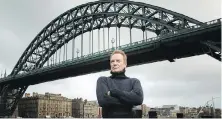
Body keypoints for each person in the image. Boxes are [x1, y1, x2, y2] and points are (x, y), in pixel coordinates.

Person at [96, 50, 144, 118]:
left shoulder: (134, 81)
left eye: (118, 61)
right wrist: (130, 101)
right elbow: (103, 101)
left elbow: (138, 99)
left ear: (125, 64)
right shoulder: (103, 80)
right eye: (112, 61)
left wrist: (115, 92)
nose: (114, 63)